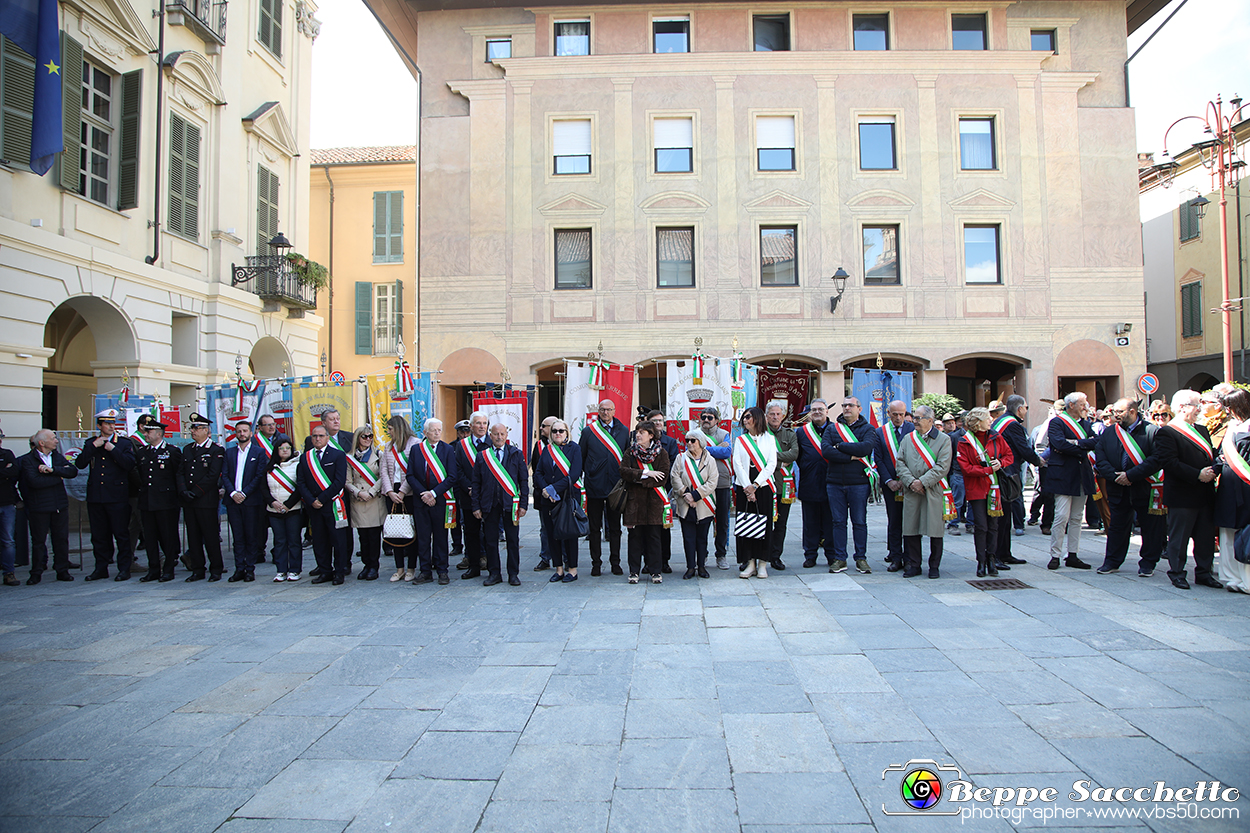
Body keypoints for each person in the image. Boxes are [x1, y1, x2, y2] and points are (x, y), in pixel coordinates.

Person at [1155, 389, 1222, 590]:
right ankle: (1177, 572)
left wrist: (1215, 469)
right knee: (1180, 537)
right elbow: (1169, 462)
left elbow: (1213, 455)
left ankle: (1204, 573)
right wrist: (1197, 474)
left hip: (1205, 493)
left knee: (1205, 537)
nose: (1199, 408)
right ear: (1183, 407)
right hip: (1183, 494)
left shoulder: (1202, 430)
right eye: (1196, 404)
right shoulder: (1168, 431)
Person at [1093, 398, 1165, 577]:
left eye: (1119, 412)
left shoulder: (1151, 431)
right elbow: (1100, 457)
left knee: (1150, 526)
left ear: (1132, 412)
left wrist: (1131, 475)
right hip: (1118, 486)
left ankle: (1148, 563)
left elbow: (1156, 459)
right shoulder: (1109, 433)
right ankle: (1112, 561)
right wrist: (1115, 476)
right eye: (1114, 412)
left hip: (1143, 486)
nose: (1114, 415)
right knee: (1117, 525)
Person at [75, 409, 136, 581]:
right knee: (99, 535)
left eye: (113, 423)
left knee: (121, 534)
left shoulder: (123, 443)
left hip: (117, 496)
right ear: (99, 426)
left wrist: (112, 449)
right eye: (107, 424)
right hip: (96, 496)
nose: (111, 426)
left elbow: (128, 464)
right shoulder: (91, 443)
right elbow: (80, 463)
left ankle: (124, 568)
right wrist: (94, 447)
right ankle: (101, 567)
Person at [821, 396, 876, 574]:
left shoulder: (868, 429)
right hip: (835, 482)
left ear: (859, 409)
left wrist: (841, 446)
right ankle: (840, 558)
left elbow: (865, 448)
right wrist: (850, 456)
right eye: (844, 405)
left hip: (859, 482)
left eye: (850, 405)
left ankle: (861, 558)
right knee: (838, 522)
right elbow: (827, 451)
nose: (846, 408)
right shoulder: (832, 428)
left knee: (859, 522)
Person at [896, 406, 952, 578]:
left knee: (935, 529)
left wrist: (923, 482)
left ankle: (934, 566)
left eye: (919, 418)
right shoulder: (908, 438)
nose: (915, 421)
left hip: (933, 489)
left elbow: (943, 466)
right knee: (911, 528)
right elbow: (900, 462)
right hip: (912, 490)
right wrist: (912, 482)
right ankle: (914, 564)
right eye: (914, 418)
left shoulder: (943, 439)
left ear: (930, 420)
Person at [1045, 392, 1098, 571]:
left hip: (1082, 474)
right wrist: (1082, 445)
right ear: (1072, 405)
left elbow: (1096, 442)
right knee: (1061, 516)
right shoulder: (1057, 422)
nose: (1086, 406)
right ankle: (1055, 554)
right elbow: (1059, 444)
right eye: (1083, 404)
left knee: (1077, 517)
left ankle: (1073, 555)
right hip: (1063, 475)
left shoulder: (1086, 424)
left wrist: (1075, 443)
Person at [471, 422, 528, 587]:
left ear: (506, 435)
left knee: (512, 540)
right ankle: (494, 573)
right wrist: (476, 506)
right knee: (490, 541)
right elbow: (476, 483)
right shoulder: (483, 456)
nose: (499, 437)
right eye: (496, 434)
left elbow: (523, 480)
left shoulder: (516, 454)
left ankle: (513, 574)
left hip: (510, 505)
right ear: (490, 435)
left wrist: (523, 504)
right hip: (489, 504)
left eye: (502, 434)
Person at [958, 408, 1013, 577]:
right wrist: (988, 470)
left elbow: (1009, 455)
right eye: (987, 419)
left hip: (994, 488)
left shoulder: (996, 437)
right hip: (976, 488)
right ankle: (981, 561)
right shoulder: (964, 441)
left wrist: (1000, 463)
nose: (991, 421)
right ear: (978, 422)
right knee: (981, 526)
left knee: (994, 525)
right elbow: (966, 468)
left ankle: (991, 558)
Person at [18, 429, 78, 583]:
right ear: (42, 443)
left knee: (61, 539)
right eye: (53, 438)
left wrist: (52, 471)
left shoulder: (56, 457)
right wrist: (58, 477)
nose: (56, 441)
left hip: (59, 505)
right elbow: (34, 482)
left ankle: (62, 570)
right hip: (39, 506)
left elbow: (72, 471)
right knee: (38, 541)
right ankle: (36, 572)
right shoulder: (28, 460)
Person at [991, 395, 1043, 566]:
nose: (1026, 411)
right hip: (1007, 475)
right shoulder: (1012, 425)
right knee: (1002, 516)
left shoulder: (1002, 421)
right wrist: (1039, 461)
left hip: (1003, 472)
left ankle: (1005, 553)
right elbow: (1024, 449)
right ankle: (998, 554)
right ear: (1020, 408)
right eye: (1026, 407)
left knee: (1005, 516)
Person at [580, 400, 629, 576]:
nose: (605, 413)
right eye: (602, 410)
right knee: (594, 529)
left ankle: (615, 562)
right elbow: (581, 457)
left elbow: (627, 457)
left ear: (614, 411)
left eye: (608, 410)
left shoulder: (623, 431)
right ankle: (596, 564)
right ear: (598, 411)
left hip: (615, 488)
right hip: (594, 486)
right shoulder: (588, 432)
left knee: (615, 528)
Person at [298, 423, 351, 585]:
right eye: (314, 436)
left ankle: (339, 571)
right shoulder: (306, 457)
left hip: (332, 505)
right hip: (313, 507)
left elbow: (339, 481)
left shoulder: (338, 455)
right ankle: (325, 570)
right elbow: (301, 482)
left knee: (338, 540)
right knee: (319, 540)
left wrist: (321, 499)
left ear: (328, 438)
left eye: (321, 436)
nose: (317, 439)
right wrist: (311, 500)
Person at [620, 422, 672, 584]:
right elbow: (623, 472)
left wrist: (638, 480)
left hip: (655, 502)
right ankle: (634, 571)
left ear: (651, 435)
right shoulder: (630, 452)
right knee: (634, 538)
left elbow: (663, 477)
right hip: (634, 503)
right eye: (637, 432)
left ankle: (655, 571)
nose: (638, 435)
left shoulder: (661, 453)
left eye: (642, 432)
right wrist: (646, 473)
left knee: (654, 538)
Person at [407, 418, 457, 585]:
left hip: (440, 500)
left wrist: (434, 494)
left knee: (441, 537)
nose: (437, 433)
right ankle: (425, 571)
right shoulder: (416, 450)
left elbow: (452, 477)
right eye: (433, 430)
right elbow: (410, 475)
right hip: (421, 501)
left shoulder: (448, 449)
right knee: (423, 538)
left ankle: (442, 570)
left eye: (439, 430)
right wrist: (424, 494)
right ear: (425, 432)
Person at [133, 414, 182, 582]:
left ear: (159, 433)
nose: (146, 434)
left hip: (166, 502)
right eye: (145, 432)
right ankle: (153, 568)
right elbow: (140, 474)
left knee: (167, 537)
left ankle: (168, 568)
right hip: (147, 501)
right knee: (150, 538)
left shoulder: (172, 452)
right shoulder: (142, 453)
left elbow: (178, 476)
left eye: (149, 431)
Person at [177, 412, 226, 582]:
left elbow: (213, 476)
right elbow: (181, 472)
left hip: (205, 500)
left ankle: (216, 568)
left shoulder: (215, 450)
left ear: (206, 430)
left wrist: (196, 492)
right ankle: (197, 568)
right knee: (193, 536)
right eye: (192, 428)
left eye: (197, 428)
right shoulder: (188, 449)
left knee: (210, 535)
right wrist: (184, 491)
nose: (193, 431)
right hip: (189, 500)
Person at [533, 419, 583, 582]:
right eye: (554, 431)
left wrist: (553, 489)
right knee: (552, 534)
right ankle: (559, 569)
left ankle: (573, 570)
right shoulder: (547, 450)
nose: (558, 434)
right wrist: (546, 490)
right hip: (549, 499)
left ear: (567, 432)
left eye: (561, 431)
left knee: (570, 534)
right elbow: (538, 473)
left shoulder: (574, 448)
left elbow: (574, 475)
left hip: (567, 497)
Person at [222, 419, 269, 583]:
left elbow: (259, 476)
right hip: (233, 501)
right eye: (239, 431)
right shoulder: (229, 453)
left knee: (251, 536)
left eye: (244, 431)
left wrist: (244, 493)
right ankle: (239, 569)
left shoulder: (259, 452)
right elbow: (225, 475)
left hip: (250, 501)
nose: (241, 434)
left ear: (251, 433)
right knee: (238, 537)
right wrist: (233, 493)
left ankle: (250, 569)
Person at [733, 407, 777, 579]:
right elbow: (737, 464)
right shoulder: (740, 440)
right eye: (744, 417)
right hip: (744, 486)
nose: (745, 420)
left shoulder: (770, 439)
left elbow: (771, 464)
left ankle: (763, 564)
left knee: (764, 524)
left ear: (758, 418)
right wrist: (747, 487)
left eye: (749, 417)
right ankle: (749, 562)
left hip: (763, 486)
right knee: (747, 524)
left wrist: (756, 485)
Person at [1214, 388, 1250, 594]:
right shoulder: (1232, 427)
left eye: (1230, 406)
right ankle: (1230, 576)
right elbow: (1221, 454)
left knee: (1245, 533)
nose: (1227, 411)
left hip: (1246, 486)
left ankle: (1246, 579)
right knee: (1227, 531)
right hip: (1229, 484)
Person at [671, 429, 718, 579]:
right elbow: (674, 477)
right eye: (687, 440)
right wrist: (686, 494)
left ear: (701, 442)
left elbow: (712, 481)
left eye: (693, 440)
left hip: (704, 504)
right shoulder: (680, 458)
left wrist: (695, 495)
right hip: (686, 504)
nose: (689, 443)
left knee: (702, 538)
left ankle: (702, 567)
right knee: (688, 538)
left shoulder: (710, 460)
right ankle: (690, 567)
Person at [875, 400, 915, 571]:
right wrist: (889, 481)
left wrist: (907, 479)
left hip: (910, 484)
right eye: (895, 414)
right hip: (890, 484)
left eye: (902, 414)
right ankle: (896, 556)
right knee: (894, 520)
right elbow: (879, 459)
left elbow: (917, 457)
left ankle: (911, 556)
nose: (898, 418)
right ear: (888, 413)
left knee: (910, 521)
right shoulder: (880, 432)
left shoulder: (913, 430)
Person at [380, 414, 419, 581]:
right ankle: (399, 568)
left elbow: (414, 470)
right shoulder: (388, 446)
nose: (389, 432)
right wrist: (390, 492)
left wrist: (402, 492)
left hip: (408, 492)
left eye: (390, 429)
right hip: (392, 492)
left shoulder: (414, 444)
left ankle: (411, 567)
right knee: (395, 531)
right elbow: (383, 471)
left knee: (410, 531)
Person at [796, 399, 833, 568]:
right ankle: (810, 555)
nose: (817, 412)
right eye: (814, 409)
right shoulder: (802, 432)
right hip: (809, 482)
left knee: (830, 522)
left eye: (821, 409)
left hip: (832, 482)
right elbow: (798, 455)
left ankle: (832, 555)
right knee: (810, 523)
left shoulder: (836, 430)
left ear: (827, 411)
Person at [345, 425, 385, 581]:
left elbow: (383, 477)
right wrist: (358, 492)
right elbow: (347, 481)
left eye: (370, 436)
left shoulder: (378, 455)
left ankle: (374, 566)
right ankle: (366, 564)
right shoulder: (349, 457)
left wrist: (371, 492)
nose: (368, 439)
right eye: (364, 436)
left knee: (374, 536)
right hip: (358, 500)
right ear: (357, 439)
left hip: (374, 500)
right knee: (363, 537)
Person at [454, 412, 491, 578]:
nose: (482, 426)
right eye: (478, 423)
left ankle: (491, 565)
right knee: (471, 532)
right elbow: (458, 470)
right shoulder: (462, 446)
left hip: (490, 496)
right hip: (468, 495)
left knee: (490, 532)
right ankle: (474, 565)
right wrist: (470, 487)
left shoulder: (493, 442)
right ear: (471, 426)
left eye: (484, 423)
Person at [697, 407, 733, 569]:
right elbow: (691, 452)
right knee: (702, 521)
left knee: (723, 522)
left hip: (722, 483)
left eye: (710, 417)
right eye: (703, 417)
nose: (706, 420)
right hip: (702, 484)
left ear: (716, 420)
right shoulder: (695, 434)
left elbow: (726, 452)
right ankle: (702, 555)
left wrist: (704, 450)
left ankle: (721, 555)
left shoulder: (724, 434)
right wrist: (715, 449)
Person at [764, 401, 799, 572]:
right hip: (765, 486)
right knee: (763, 523)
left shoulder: (790, 434)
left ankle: (775, 556)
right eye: (772, 414)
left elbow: (794, 453)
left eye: (778, 414)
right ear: (766, 416)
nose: (775, 417)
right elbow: (760, 454)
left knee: (781, 524)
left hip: (784, 487)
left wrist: (772, 457)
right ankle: (761, 555)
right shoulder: (761, 434)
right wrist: (779, 462)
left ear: (783, 415)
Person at [265, 438, 303, 581]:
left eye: (287, 448)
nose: (285, 450)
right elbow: (263, 488)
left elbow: (300, 487)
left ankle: (295, 569)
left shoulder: (297, 465)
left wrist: (288, 504)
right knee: (279, 540)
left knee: (293, 540)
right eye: (281, 448)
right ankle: (281, 570)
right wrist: (272, 502)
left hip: (292, 509)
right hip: (274, 509)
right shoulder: (269, 468)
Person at [531, 416, 557, 572]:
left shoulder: (566, 446)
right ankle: (545, 558)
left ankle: (564, 557)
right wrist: (545, 490)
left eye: (544, 426)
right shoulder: (539, 446)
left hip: (560, 494)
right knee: (545, 528)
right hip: (544, 494)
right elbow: (536, 471)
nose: (541, 429)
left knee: (561, 525)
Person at [1, 424, 21, 586]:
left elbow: (13, 472)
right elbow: (7, 473)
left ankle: (9, 572)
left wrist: (6, 472)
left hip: (6, 502)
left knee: (8, 540)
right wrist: (4, 472)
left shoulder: (7, 454)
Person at [449, 419, 470, 558]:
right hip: (454, 487)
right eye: (462, 432)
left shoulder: (472, 446)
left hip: (467, 487)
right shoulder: (451, 447)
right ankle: (457, 545)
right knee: (454, 518)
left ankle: (469, 550)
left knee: (467, 522)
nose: (465, 434)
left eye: (467, 431)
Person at [944, 412, 967, 536]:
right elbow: (950, 456)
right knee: (957, 501)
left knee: (973, 502)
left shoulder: (975, 436)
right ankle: (953, 523)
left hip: (972, 473)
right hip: (958, 472)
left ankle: (971, 523)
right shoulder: (955, 437)